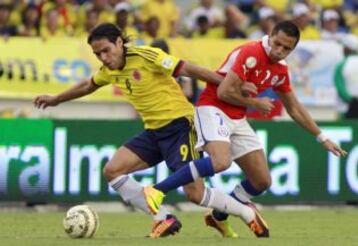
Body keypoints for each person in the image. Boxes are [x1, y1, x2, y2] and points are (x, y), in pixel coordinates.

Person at [33, 23, 258, 239]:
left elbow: (188, 69)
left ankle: (246, 213)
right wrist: (56, 99)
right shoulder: (109, 71)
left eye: (106, 51)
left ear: (119, 43)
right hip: (154, 132)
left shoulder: (146, 56)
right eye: (97, 54)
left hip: (181, 125)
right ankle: (162, 219)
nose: (103, 57)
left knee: (195, 194)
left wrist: (232, 84)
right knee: (112, 171)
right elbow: (87, 85)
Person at [143, 21, 348, 238]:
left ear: (293, 49)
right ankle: (157, 190)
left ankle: (218, 216)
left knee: (262, 181)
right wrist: (256, 103)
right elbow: (222, 92)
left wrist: (321, 137)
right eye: (277, 44)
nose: (280, 51)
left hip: (237, 117)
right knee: (221, 162)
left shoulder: (280, 69)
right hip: (213, 107)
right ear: (270, 35)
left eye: (287, 48)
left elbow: (294, 108)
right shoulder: (251, 53)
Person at [334, 34, 358, 118]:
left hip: (345, 109)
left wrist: (353, 101)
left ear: (346, 48)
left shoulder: (341, 65)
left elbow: (340, 87)